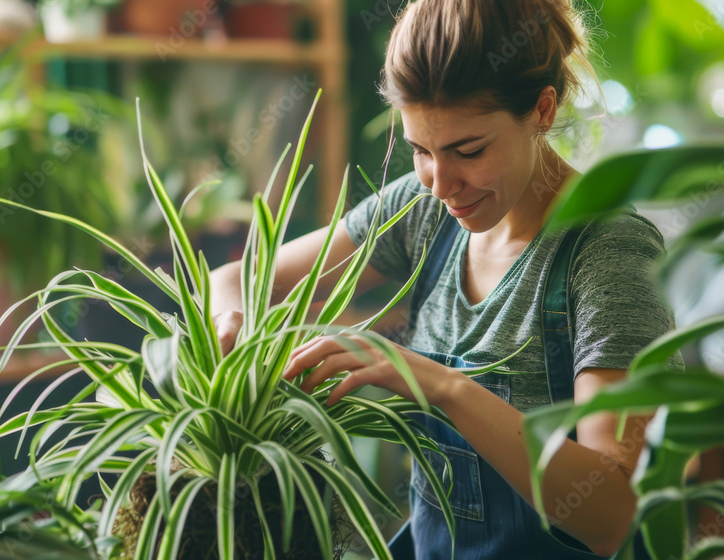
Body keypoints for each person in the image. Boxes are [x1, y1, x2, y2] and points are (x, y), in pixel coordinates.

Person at [209, 0, 683, 557]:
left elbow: (613, 514)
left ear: (543, 110)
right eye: (419, 150)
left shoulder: (608, 253)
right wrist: (230, 321)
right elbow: (240, 276)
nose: (440, 183)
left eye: (468, 150)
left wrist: (440, 384)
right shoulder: (425, 209)